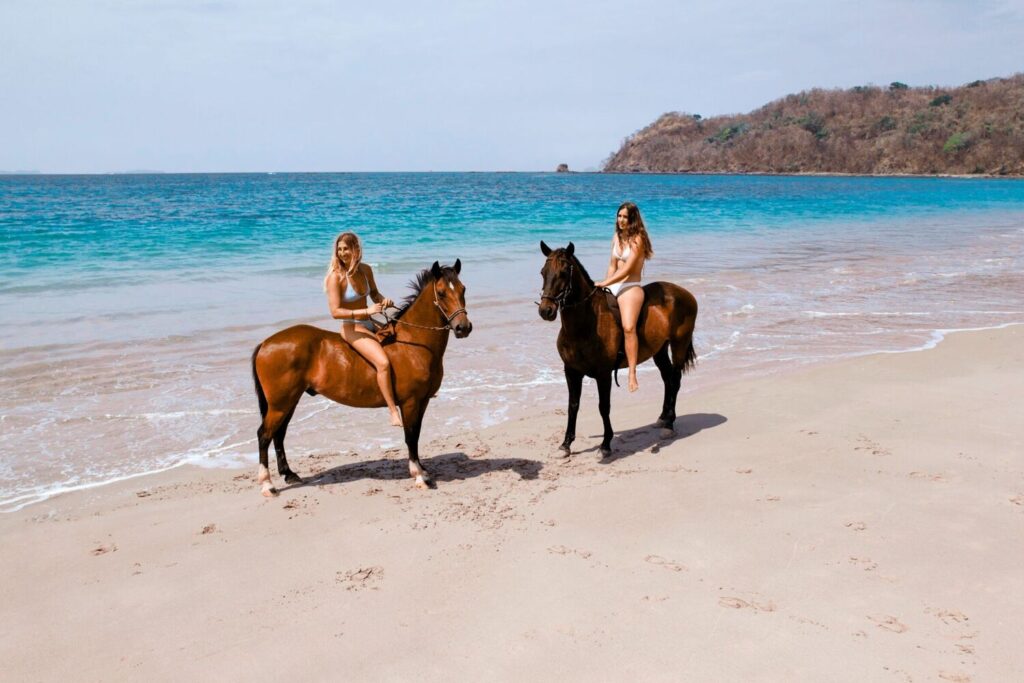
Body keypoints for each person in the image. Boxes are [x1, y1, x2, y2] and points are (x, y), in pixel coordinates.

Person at [324, 231, 402, 426]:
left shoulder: (366, 270)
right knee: (383, 363)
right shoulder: (336, 278)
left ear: (356, 250)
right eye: (339, 249)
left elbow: (374, 294)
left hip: (371, 321)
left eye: (346, 249)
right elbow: (335, 312)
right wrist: (365, 310)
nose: (342, 253)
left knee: (401, 342)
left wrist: (384, 301)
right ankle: (393, 411)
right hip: (352, 327)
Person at [595, 202, 654, 393]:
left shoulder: (638, 239)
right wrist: (605, 282)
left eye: (625, 217)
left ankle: (632, 373)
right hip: (614, 285)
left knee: (628, 328)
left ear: (632, 219)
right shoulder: (616, 237)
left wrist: (606, 283)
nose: (621, 220)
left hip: (630, 287)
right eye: (619, 216)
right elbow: (613, 265)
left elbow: (628, 269)